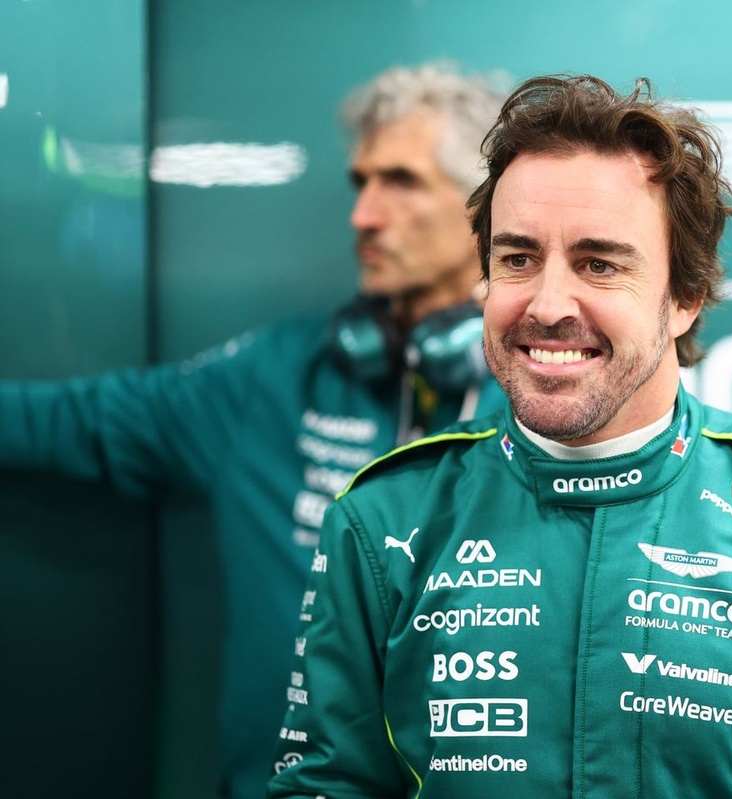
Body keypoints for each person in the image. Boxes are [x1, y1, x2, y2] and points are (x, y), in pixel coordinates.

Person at [267, 74, 732, 798]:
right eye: (518, 258)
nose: (548, 304)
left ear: (684, 297)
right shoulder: (380, 519)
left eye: (599, 264)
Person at [0, 63, 508, 799]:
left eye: (401, 181)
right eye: (360, 182)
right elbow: (74, 422)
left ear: (484, 210)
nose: (363, 215)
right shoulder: (276, 376)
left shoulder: (545, 400)